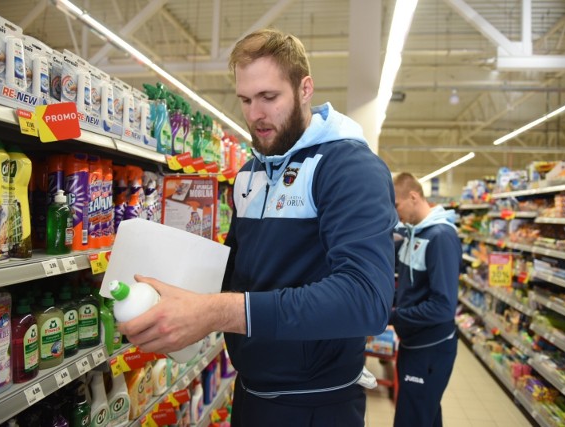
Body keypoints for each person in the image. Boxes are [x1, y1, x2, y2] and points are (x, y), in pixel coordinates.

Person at [117, 28, 397, 426]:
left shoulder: (348, 168)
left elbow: (365, 299)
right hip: (251, 393)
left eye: (269, 97)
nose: (254, 115)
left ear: (305, 89)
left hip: (316, 405)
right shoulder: (251, 173)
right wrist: (167, 297)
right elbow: (237, 270)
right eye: (246, 100)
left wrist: (215, 312)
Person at [390, 172, 461, 427]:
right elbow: (410, 286)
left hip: (430, 347)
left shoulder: (440, 237)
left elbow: (443, 308)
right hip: (413, 342)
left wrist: (393, 316)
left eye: (396, 204)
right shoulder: (414, 234)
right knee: (425, 415)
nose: (395, 212)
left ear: (413, 196)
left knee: (412, 418)